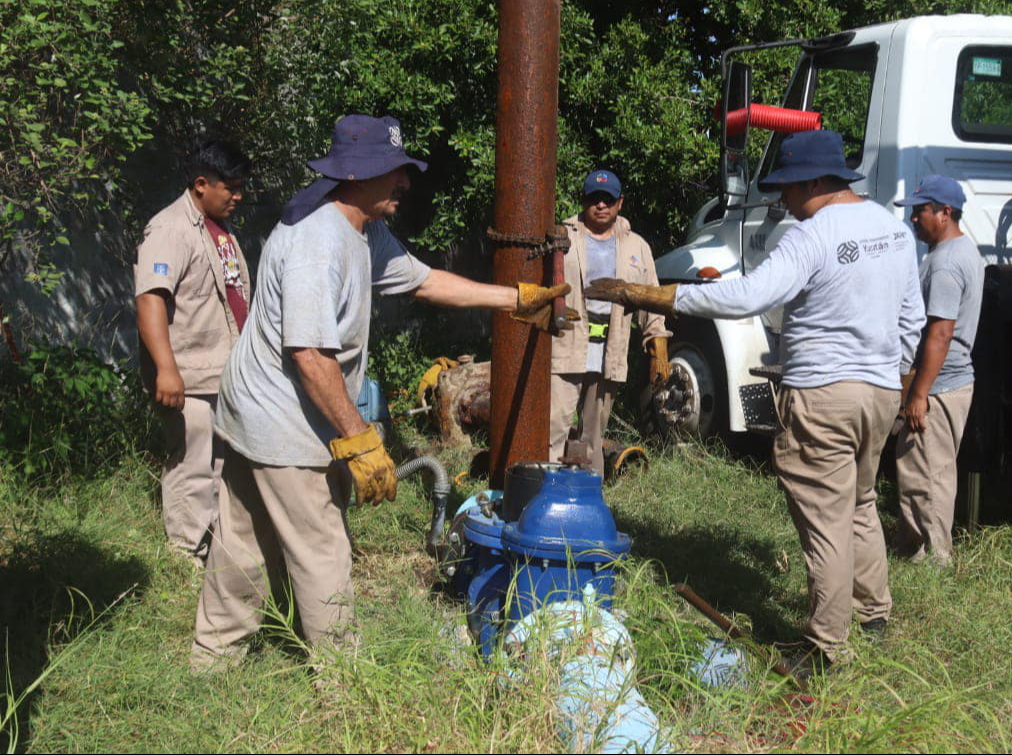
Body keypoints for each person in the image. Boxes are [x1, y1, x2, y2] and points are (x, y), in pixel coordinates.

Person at [190, 114, 569, 667]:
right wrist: (361, 439)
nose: (406, 184)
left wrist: (514, 300)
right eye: (397, 172)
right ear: (361, 174)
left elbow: (425, 280)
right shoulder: (318, 241)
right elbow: (310, 356)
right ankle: (342, 679)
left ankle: (213, 659)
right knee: (322, 549)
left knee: (242, 545)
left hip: (253, 411)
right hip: (281, 421)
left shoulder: (361, 230)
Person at [586, 129, 924, 677]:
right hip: (880, 392)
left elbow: (750, 295)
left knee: (824, 518)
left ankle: (823, 647)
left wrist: (654, 293)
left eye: (787, 188)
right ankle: (874, 614)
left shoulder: (807, 235)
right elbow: (912, 319)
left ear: (815, 181)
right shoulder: (893, 231)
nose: (782, 200)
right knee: (860, 502)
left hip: (823, 393)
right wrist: (898, 381)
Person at [134, 139, 253, 565]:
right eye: (231, 187)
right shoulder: (171, 228)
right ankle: (185, 555)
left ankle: (214, 549)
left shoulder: (220, 229)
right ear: (202, 184)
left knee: (222, 466)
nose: (238, 196)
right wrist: (166, 369)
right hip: (188, 376)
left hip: (223, 374)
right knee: (192, 464)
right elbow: (150, 298)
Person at [549, 169, 669, 474]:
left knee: (592, 437)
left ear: (620, 203)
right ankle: (545, 497)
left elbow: (650, 299)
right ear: (583, 200)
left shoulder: (636, 247)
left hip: (608, 352)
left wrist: (658, 347)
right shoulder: (561, 236)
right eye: (594, 198)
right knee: (553, 428)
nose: (601, 205)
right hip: (566, 347)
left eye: (608, 199)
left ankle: (587, 501)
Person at [892, 175, 985, 567]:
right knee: (934, 468)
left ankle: (931, 556)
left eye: (921, 211)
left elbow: (941, 333)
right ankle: (925, 548)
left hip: (940, 385)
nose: (914, 219)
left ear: (945, 213)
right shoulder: (963, 250)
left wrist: (918, 395)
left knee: (924, 472)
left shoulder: (946, 263)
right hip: (952, 381)